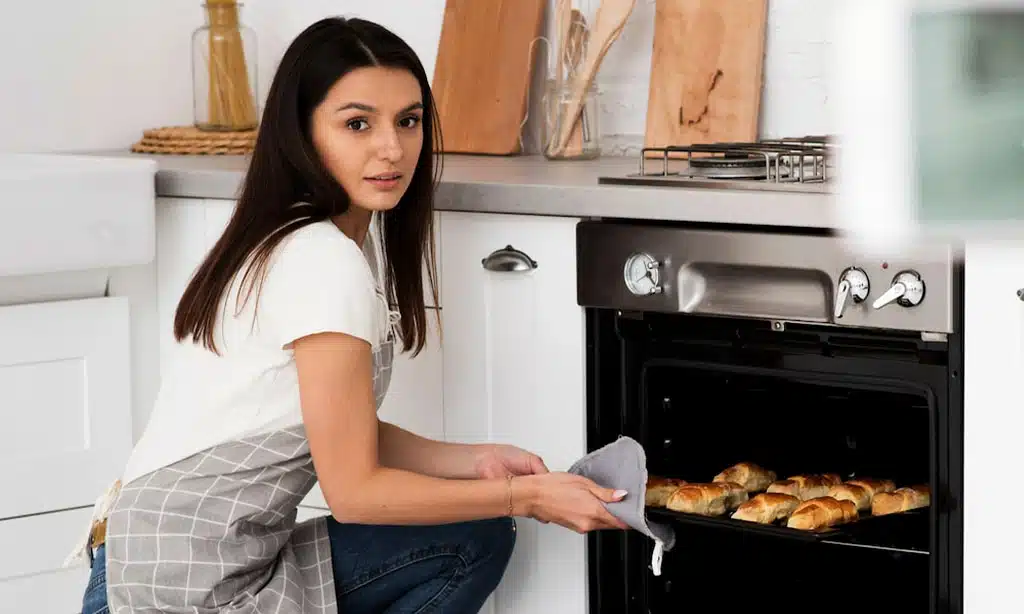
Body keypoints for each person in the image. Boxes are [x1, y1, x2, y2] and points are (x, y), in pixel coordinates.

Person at [72, 16, 627, 614]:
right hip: (176, 590)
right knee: (478, 532)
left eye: (408, 121)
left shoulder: (307, 236)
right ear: (302, 132)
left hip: (153, 561)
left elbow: (336, 426)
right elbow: (356, 493)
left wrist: (474, 461)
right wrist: (527, 496)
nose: (391, 148)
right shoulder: (319, 260)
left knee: (471, 528)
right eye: (358, 124)